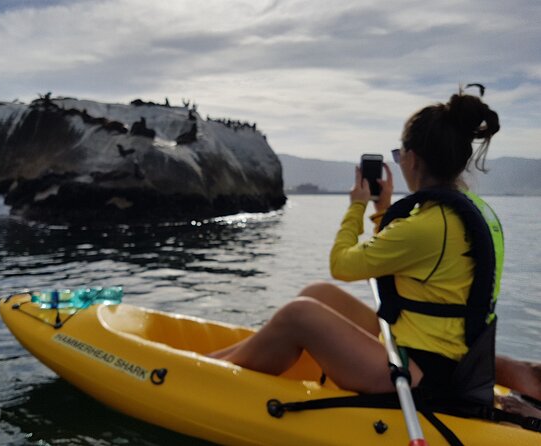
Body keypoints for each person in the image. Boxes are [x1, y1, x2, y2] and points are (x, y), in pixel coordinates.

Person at [211, 88, 541, 412]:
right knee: (319, 294)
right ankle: (228, 357)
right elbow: (414, 261)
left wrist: (356, 207)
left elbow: (342, 264)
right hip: (450, 358)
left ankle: (208, 372)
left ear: (412, 159)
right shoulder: (475, 213)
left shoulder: (426, 225)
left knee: (300, 314)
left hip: (423, 375)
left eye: (399, 156)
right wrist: (383, 211)